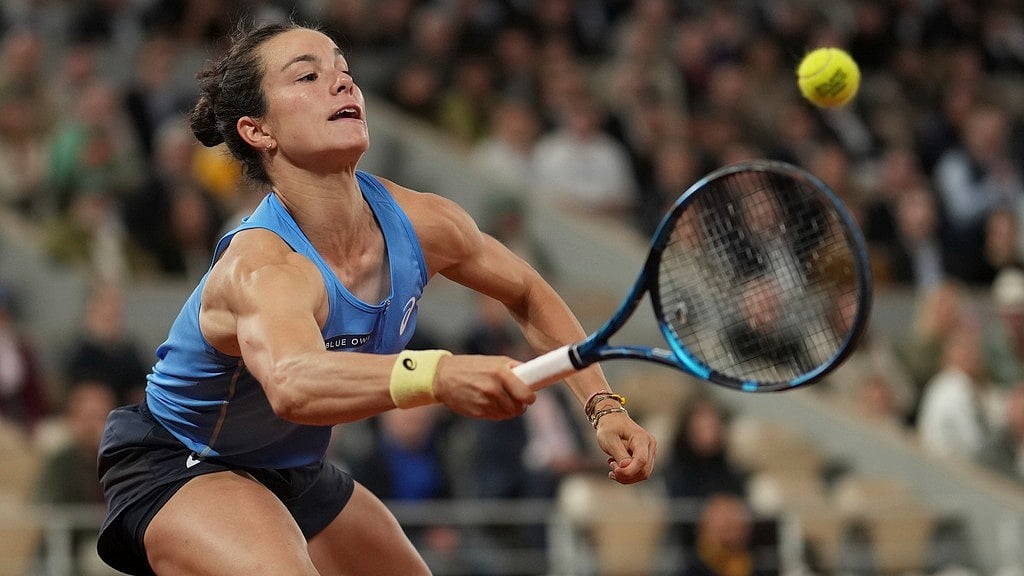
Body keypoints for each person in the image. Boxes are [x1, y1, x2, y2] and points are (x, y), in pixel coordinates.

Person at [95, 21, 656, 576]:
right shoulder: (262, 267)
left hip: (293, 468)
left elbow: (528, 292)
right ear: (257, 130)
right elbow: (294, 383)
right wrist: (436, 375)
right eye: (307, 76)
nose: (341, 84)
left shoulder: (424, 222)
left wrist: (602, 407)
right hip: (179, 460)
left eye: (343, 70)